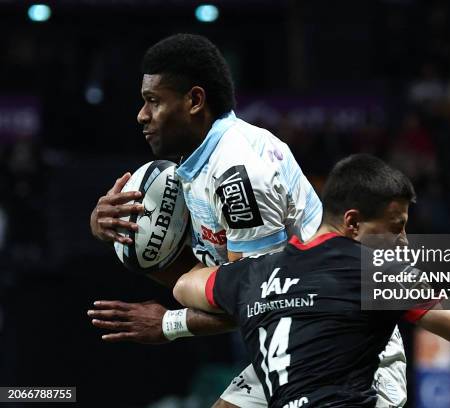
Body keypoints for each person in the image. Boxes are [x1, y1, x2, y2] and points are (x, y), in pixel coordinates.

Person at [87, 34, 407, 408]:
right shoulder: (191, 168)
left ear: (194, 101)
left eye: (153, 101)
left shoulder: (238, 174)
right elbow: (203, 278)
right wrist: (108, 228)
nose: (141, 115)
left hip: (346, 345)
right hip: (290, 336)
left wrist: (167, 324)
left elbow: (261, 298)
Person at [172, 154, 450, 408]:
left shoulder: (252, 274)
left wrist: (200, 241)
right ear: (353, 224)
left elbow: (186, 286)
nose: (405, 242)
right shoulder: (372, 272)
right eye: (396, 229)